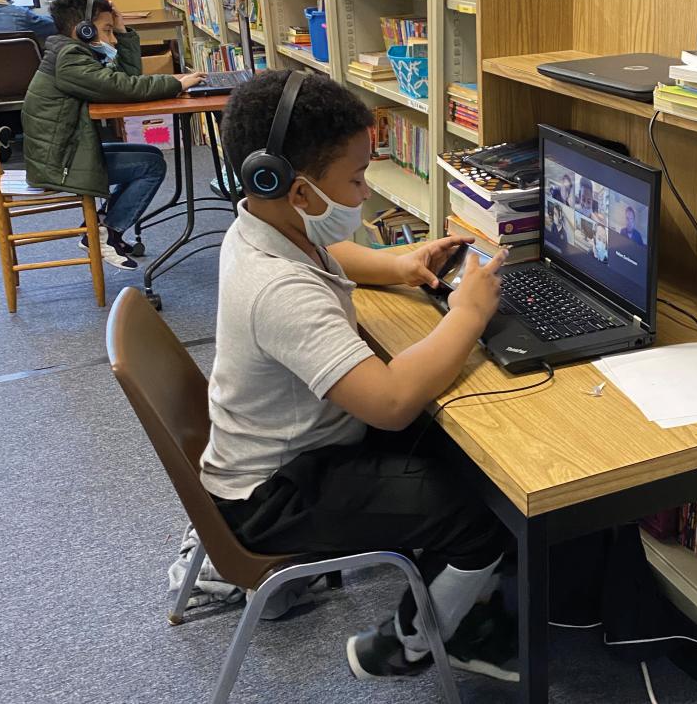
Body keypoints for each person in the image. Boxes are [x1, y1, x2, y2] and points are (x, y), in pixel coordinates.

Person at [206, 70, 518, 683]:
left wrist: (398, 265)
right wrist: (468, 314)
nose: (362, 191)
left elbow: (333, 255)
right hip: (274, 495)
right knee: (475, 513)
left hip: (289, 451)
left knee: (470, 456)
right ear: (296, 191)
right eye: (354, 179)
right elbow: (393, 401)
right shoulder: (277, 289)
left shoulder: (264, 229)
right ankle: (408, 643)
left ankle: (464, 599)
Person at [21, 0, 205, 269]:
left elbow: (126, 78)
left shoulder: (71, 51)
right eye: (107, 30)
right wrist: (177, 83)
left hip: (62, 151)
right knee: (150, 166)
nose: (114, 39)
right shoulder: (70, 59)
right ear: (82, 30)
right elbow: (124, 88)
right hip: (60, 162)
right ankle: (105, 231)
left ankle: (105, 229)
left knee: (150, 156)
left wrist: (122, 30)